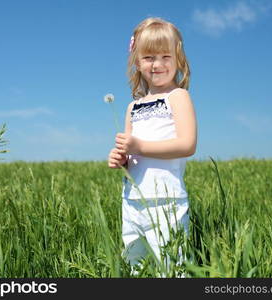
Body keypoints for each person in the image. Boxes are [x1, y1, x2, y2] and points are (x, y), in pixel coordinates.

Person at [107, 17, 197, 275]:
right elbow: (132, 151)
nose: (157, 64)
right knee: (135, 265)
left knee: (170, 267)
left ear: (178, 60)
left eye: (165, 56)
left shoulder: (177, 97)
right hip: (133, 200)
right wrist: (121, 159)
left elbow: (187, 144)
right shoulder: (132, 107)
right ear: (137, 62)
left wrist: (140, 146)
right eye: (148, 58)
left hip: (166, 200)